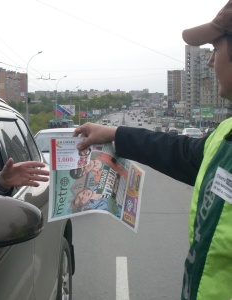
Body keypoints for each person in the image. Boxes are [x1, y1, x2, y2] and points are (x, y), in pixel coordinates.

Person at [73, 1, 232, 299]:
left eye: (215, 48)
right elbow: (181, 153)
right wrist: (116, 134)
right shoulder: (226, 132)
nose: (211, 62)